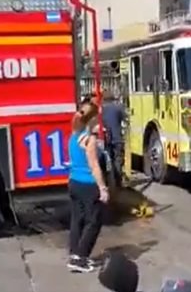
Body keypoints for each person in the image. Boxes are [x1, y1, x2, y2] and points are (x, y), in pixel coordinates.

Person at [67, 98, 110, 273]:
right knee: (94, 222)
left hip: (74, 183)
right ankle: (81, 257)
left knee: (77, 220)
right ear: (92, 120)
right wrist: (103, 188)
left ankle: (75, 255)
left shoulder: (74, 136)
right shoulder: (89, 141)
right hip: (88, 185)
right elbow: (94, 166)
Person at [101, 92, 127, 182]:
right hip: (117, 138)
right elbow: (125, 118)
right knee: (118, 159)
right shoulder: (118, 108)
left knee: (108, 159)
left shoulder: (101, 110)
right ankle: (118, 180)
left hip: (106, 138)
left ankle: (109, 180)